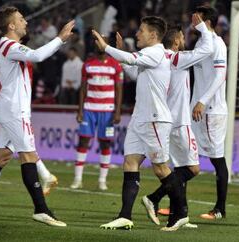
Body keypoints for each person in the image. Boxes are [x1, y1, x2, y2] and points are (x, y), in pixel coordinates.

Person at [0, 6, 74, 227]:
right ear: (11, 25)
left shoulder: (7, 46)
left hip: (10, 109)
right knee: (29, 156)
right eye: (21, 19)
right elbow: (38, 55)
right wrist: (59, 38)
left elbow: (7, 80)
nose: (25, 22)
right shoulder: (9, 45)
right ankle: (41, 210)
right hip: (15, 111)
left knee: (1, 157)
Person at [92, 16, 187, 231]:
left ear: (153, 35)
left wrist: (107, 48)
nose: (137, 34)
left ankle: (181, 213)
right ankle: (125, 216)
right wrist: (121, 55)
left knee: (161, 169)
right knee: (130, 162)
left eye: (141, 31)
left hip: (155, 118)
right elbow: (134, 71)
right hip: (140, 118)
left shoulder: (155, 52)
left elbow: (133, 60)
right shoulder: (150, 56)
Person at [141, 14, 213, 229]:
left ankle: (179, 214)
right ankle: (155, 199)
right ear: (175, 41)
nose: (184, 41)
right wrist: (201, 26)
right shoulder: (177, 59)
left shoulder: (159, 60)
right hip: (180, 121)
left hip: (165, 121)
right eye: (182, 38)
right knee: (192, 169)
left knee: (178, 170)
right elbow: (207, 48)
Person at [190, 5, 228, 220]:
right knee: (185, 155)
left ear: (208, 22)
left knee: (217, 160)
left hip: (211, 110)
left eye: (198, 18)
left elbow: (220, 76)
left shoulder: (217, 44)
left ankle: (220, 209)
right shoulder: (202, 42)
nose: (193, 20)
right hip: (197, 109)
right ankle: (178, 206)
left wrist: (203, 102)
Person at [70, 37, 123, 191]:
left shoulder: (116, 65)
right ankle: (78, 179)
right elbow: (83, 88)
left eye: (102, 41)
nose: (99, 44)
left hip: (107, 110)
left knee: (105, 143)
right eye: (97, 41)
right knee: (83, 142)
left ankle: (102, 180)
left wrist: (117, 111)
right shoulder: (87, 64)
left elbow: (119, 89)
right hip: (89, 109)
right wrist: (80, 110)